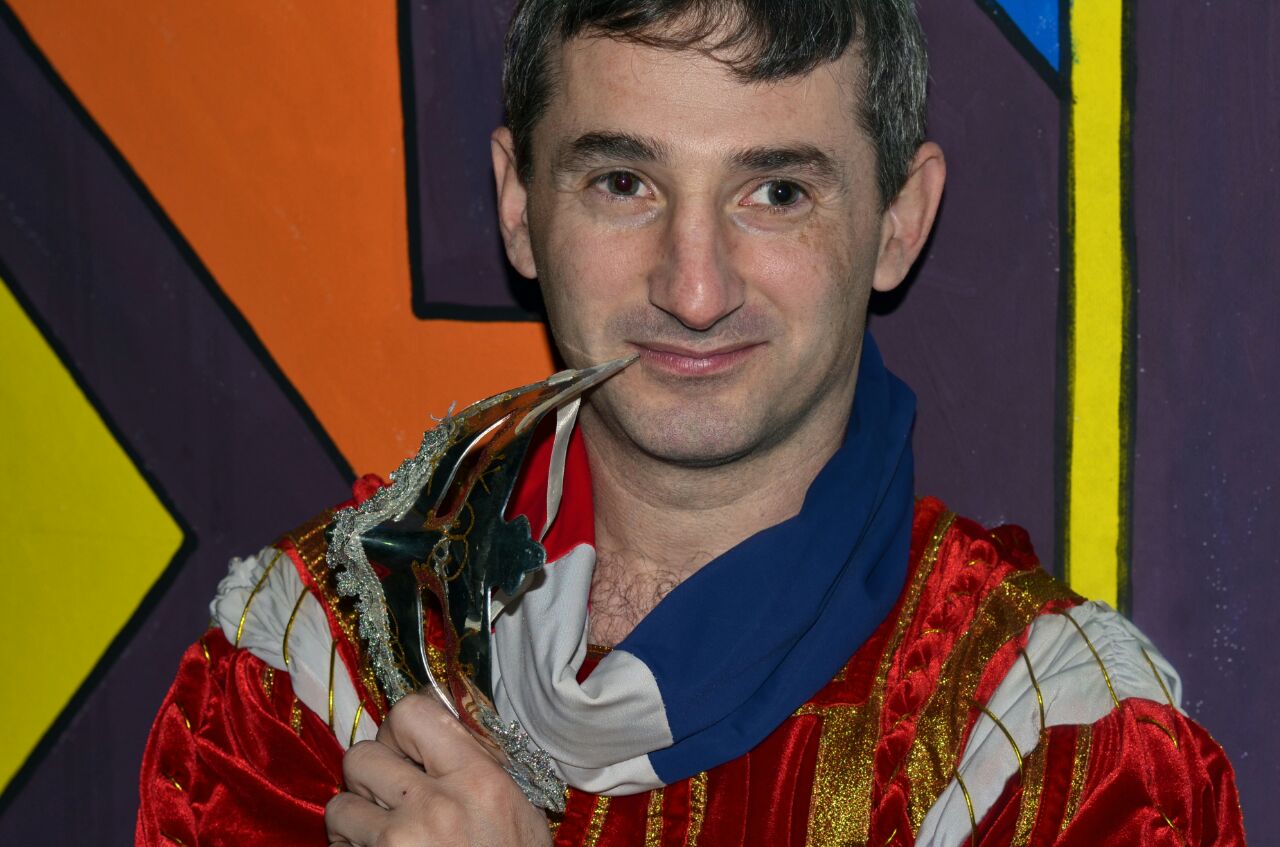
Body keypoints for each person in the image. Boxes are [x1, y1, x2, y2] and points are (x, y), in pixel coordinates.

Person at [137, 1, 1245, 844]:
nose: (695, 288)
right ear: (519, 204)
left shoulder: (1057, 746)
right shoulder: (315, 662)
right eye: (623, 181)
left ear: (897, 221)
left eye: (777, 192)